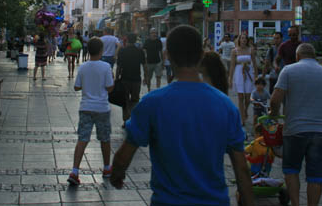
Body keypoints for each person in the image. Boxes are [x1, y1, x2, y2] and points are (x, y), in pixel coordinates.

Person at [109, 25, 254, 205]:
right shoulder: (225, 105)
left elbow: (125, 152)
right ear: (201, 56)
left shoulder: (153, 103)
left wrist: (117, 174)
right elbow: (241, 167)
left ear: (168, 55)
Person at [269, 43, 322, 206]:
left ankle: (296, 204)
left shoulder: (289, 70)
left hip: (295, 130)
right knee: (316, 176)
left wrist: (274, 115)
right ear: (314, 56)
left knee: (291, 171)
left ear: (298, 56)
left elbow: (275, 98)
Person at [68, 37, 114, 186]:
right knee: (105, 139)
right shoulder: (106, 67)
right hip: (102, 108)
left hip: (86, 107)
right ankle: (107, 168)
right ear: (101, 51)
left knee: (82, 139)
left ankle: (75, 171)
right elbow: (109, 87)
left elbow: (76, 87)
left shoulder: (83, 67)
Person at [116, 32, 146, 127]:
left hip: (125, 78)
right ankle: (134, 120)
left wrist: (117, 78)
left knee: (125, 100)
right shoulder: (139, 51)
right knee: (135, 100)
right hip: (136, 78)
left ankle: (126, 121)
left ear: (127, 40)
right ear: (135, 40)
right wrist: (146, 77)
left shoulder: (122, 51)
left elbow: (119, 66)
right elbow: (144, 65)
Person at [229, 33, 256, 122]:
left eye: (245, 38)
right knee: (240, 96)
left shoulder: (251, 50)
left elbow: (255, 64)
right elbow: (232, 65)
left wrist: (256, 76)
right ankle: (242, 118)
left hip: (248, 72)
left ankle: (245, 110)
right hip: (238, 73)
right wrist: (230, 78)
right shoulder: (235, 51)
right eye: (242, 38)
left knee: (248, 97)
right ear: (239, 40)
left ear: (247, 40)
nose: (244, 40)